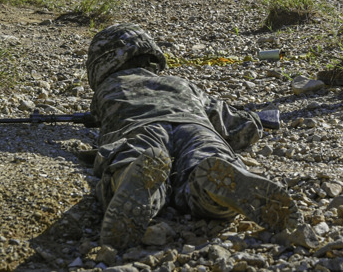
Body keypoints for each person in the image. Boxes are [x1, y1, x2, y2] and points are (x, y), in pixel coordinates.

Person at [85, 23, 315, 251]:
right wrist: (254, 121)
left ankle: (130, 179)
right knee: (208, 155)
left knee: (132, 156)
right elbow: (233, 125)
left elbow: (104, 118)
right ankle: (216, 189)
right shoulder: (180, 84)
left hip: (142, 129)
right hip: (195, 127)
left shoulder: (107, 89)